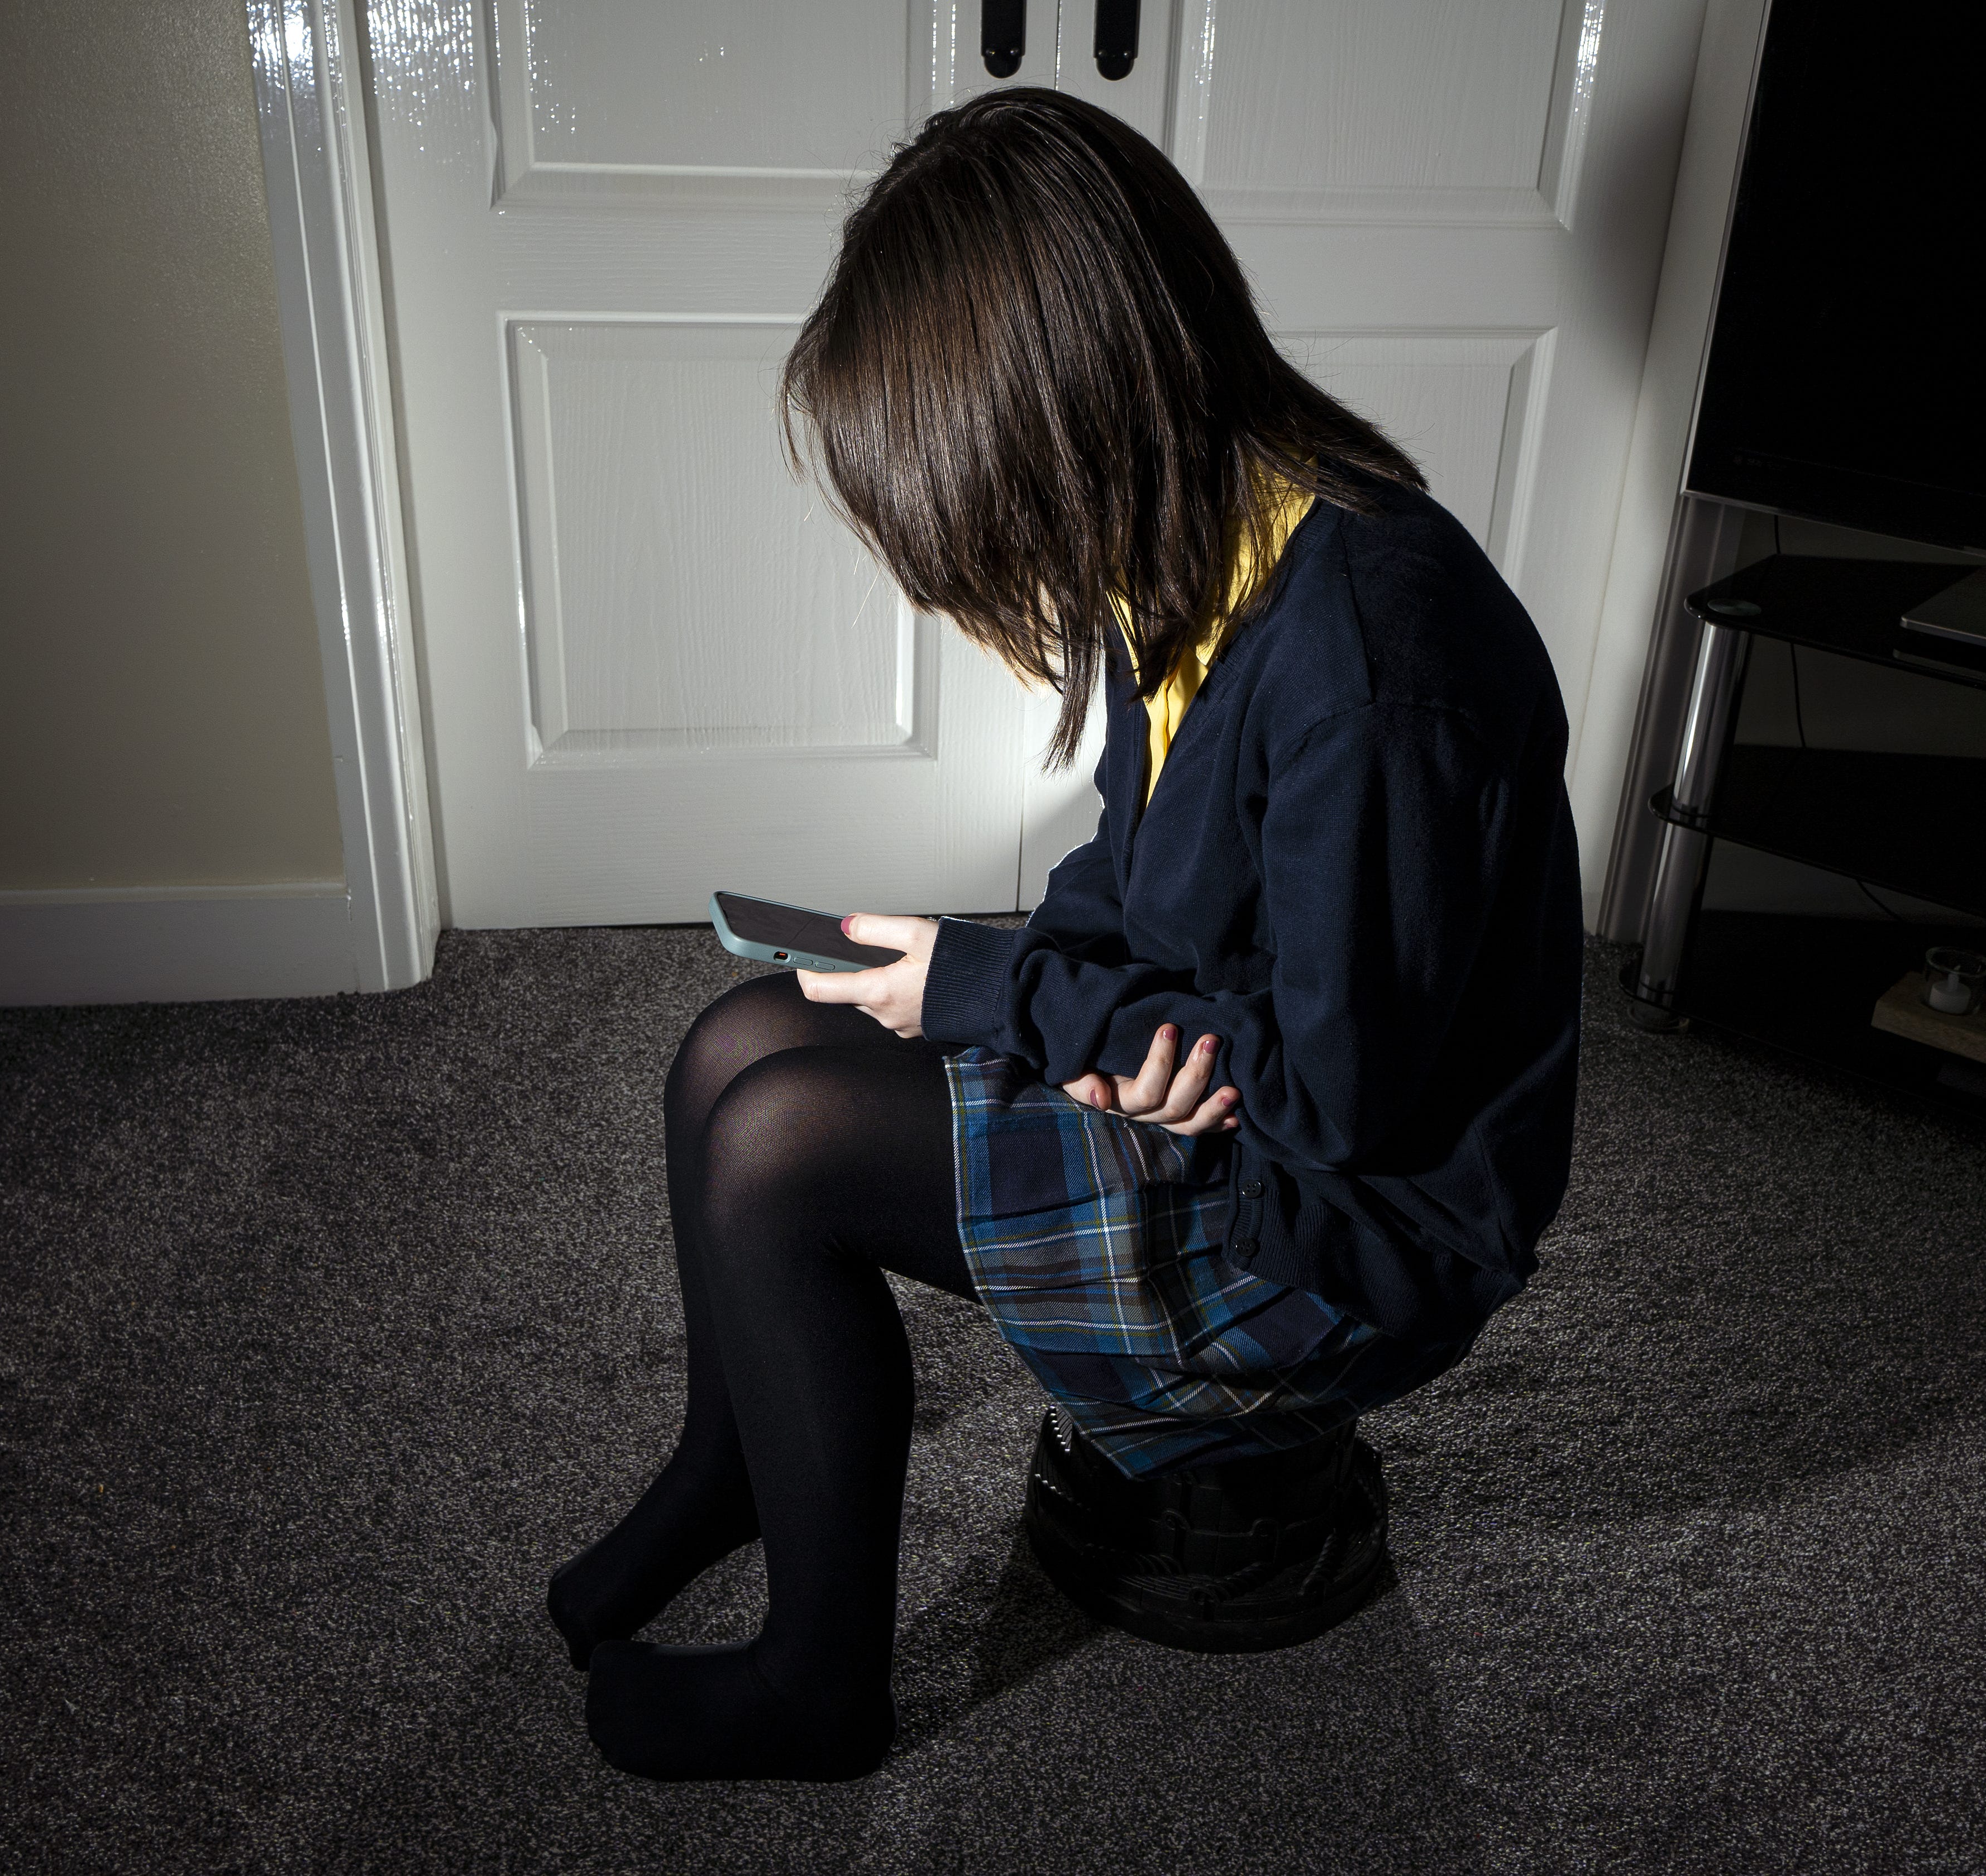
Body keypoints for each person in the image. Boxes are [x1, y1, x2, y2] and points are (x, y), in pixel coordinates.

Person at [546, 87, 1582, 1783]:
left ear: (1081, 420)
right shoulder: (1194, 545)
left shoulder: (1376, 666)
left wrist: (1003, 995)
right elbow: (1134, 882)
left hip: (1342, 1228)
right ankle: (733, 1459)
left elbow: (1334, 1104)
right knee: (731, 1047)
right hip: (1240, 1087)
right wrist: (998, 980)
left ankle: (822, 1683)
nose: (988, 585)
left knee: (783, 1146)